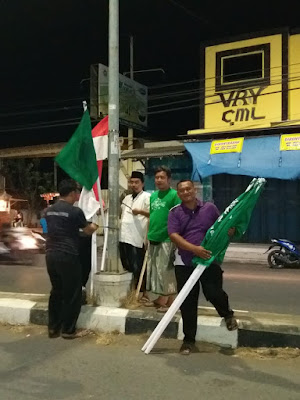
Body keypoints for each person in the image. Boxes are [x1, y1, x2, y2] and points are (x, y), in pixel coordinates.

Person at [168, 179, 238, 355]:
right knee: (188, 302)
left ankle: (228, 315)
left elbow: (222, 227)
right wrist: (194, 250)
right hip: (185, 262)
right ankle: (188, 341)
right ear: (178, 194)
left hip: (209, 260)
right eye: (182, 190)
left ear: (194, 190)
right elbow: (174, 236)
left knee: (214, 292)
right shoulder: (175, 212)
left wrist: (230, 231)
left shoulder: (210, 208)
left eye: (188, 189)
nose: (185, 192)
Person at [45, 179, 98, 339]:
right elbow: (87, 230)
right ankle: (69, 330)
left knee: (56, 291)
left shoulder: (48, 210)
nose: (78, 194)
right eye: (77, 192)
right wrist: (95, 226)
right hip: (68, 254)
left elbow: (50, 229)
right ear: (72, 193)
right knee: (72, 293)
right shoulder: (75, 211)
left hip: (50, 254)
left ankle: (53, 328)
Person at [146, 166, 181, 312]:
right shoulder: (153, 196)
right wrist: (147, 235)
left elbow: (179, 217)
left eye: (162, 177)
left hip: (168, 238)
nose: (159, 180)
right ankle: (165, 300)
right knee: (156, 272)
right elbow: (152, 216)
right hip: (153, 237)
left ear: (169, 179)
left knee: (166, 271)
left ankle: (168, 300)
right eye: (157, 178)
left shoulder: (174, 195)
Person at [119, 171, 150, 298]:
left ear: (142, 183)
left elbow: (153, 215)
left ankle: (142, 293)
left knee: (138, 266)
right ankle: (131, 291)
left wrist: (141, 212)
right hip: (123, 237)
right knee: (127, 265)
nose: (134, 185)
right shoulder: (126, 198)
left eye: (136, 182)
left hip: (136, 238)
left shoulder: (147, 197)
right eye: (131, 182)